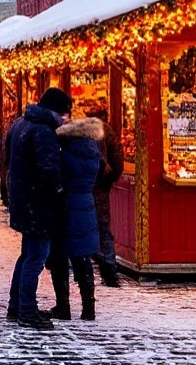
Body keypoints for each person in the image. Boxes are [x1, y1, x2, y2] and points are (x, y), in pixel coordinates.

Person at [5, 88, 68, 330]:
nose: (65, 119)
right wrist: (60, 191)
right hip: (38, 203)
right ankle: (27, 311)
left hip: (24, 200)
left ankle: (17, 306)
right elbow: (49, 170)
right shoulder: (43, 131)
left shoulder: (22, 123)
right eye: (64, 114)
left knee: (27, 255)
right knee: (36, 258)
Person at [47, 115, 103, 321]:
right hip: (86, 204)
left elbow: (57, 174)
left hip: (66, 205)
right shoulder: (92, 149)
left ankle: (63, 305)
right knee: (82, 258)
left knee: (59, 257)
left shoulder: (65, 151)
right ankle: (89, 307)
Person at [88, 109, 124, 287]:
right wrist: (108, 181)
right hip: (101, 187)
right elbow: (118, 164)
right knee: (103, 228)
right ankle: (109, 268)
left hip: (84, 187)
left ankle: (91, 261)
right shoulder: (108, 133)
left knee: (84, 227)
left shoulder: (82, 134)